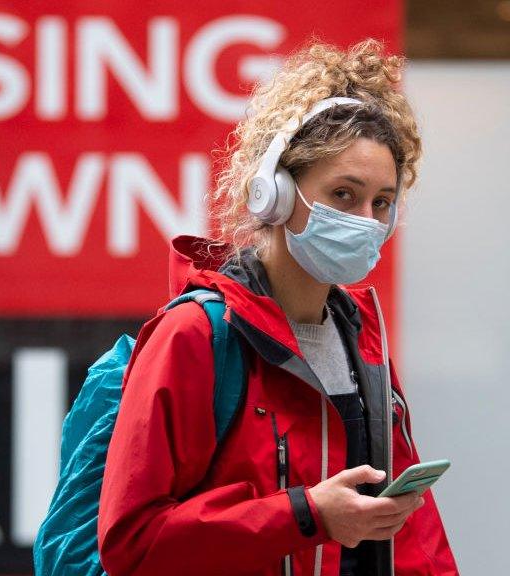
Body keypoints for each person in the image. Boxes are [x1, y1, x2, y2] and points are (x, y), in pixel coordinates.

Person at [96, 39, 458, 575]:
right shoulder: (196, 334)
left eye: (381, 202)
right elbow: (134, 544)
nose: (364, 218)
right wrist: (307, 514)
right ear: (276, 193)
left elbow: (414, 541)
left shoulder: (363, 341)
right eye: (343, 194)